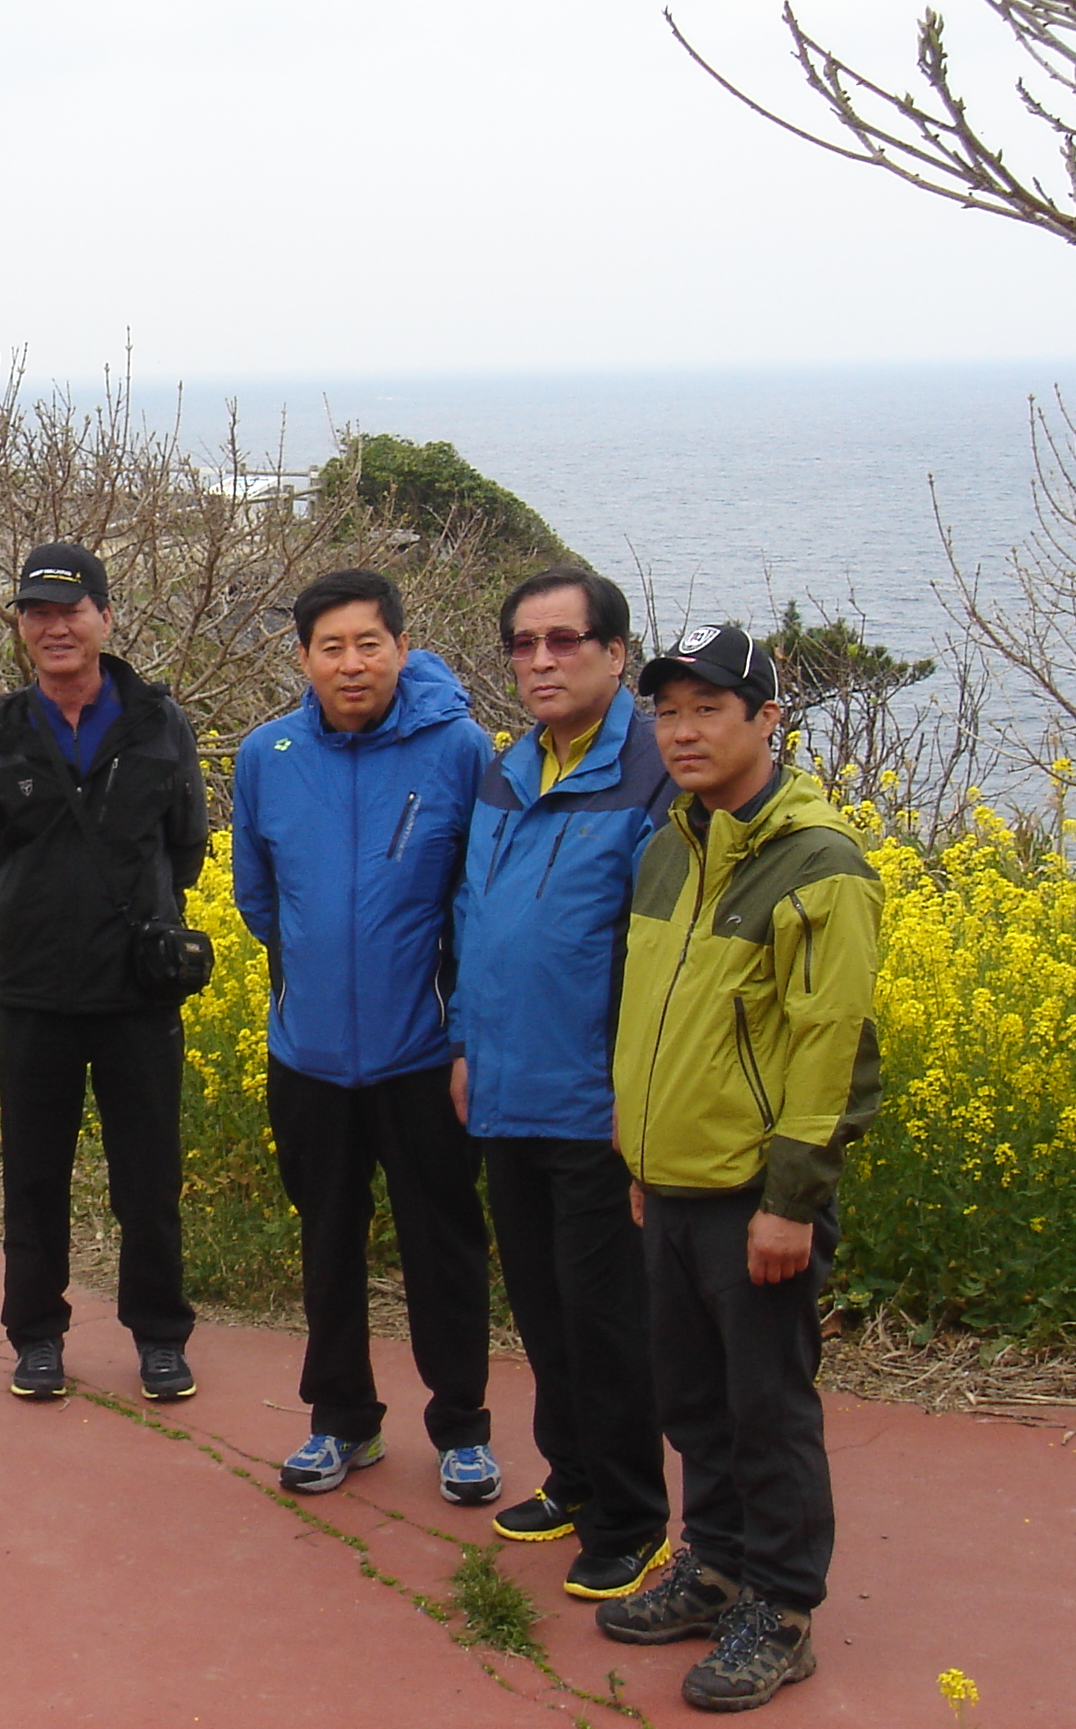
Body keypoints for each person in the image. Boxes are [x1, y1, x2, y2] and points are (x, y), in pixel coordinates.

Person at [597, 623, 883, 1713]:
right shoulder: (671, 845)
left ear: (768, 719)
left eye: (709, 710)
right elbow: (650, 1015)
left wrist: (791, 1202)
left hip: (755, 1199)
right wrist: (643, 1154)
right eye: (667, 712)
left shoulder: (819, 863)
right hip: (672, 1181)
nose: (683, 731)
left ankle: (784, 1607)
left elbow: (831, 1050)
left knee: (767, 1409)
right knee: (693, 1399)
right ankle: (715, 1566)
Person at [231, 567, 499, 1503]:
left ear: (402, 648)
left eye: (369, 644)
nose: (352, 664)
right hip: (307, 1056)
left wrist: (457, 1032)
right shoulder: (267, 754)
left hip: (421, 1055)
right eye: (331, 647)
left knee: (444, 1245)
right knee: (328, 1243)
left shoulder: (460, 749)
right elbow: (258, 896)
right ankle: (341, 1419)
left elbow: (477, 905)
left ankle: (461, 1426)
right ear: (303, 657)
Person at [449, 568, 675, 1603]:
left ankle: (631, 1518)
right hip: (505, 1090)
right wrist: (464, 1045)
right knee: (542, 1309)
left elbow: (665, 957)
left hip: (596, 1102)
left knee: (606, 1319)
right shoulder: (510, 768)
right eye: (523, 644)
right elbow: (473, 920)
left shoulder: (655, 772)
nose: (541, 661)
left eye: (564, 641)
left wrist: (642, 1090)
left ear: (615, 654)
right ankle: (576, 1479)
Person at [0, 544, 209, 1404]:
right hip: (34, 989)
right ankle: (36, 1336)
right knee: (34, 1176)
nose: (54, 627)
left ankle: (160, 1335)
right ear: (22, 629)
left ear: (105, 616)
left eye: (70, 611)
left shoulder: (159, 723)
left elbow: (186, 847)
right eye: (37, 613)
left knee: (149, 1176)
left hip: (138, 989)